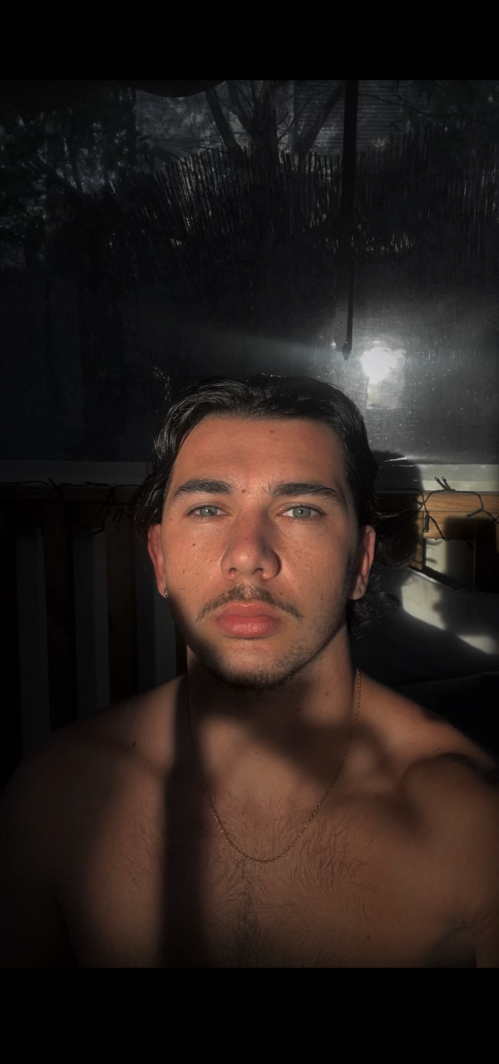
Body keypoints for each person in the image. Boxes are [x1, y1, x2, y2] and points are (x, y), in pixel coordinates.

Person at [1, 374, 498, 967]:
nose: (247, 554)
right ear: (160, 559)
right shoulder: (55, 798)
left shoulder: (471, 818)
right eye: (208, 508)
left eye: (300, 509)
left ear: (361, 563)